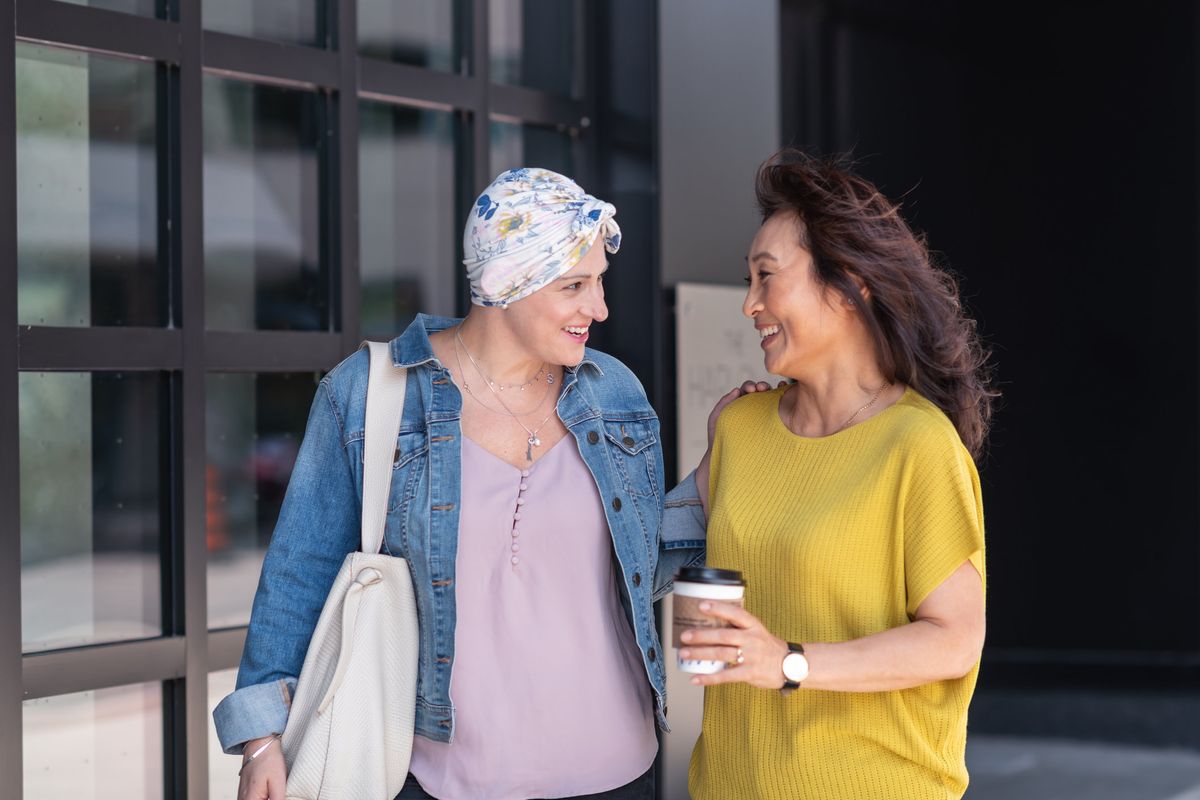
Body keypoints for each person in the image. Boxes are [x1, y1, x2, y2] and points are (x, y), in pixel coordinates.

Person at [214, 167, 706, 800]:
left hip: (616, 771)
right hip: (438, 777)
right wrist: (262, 739)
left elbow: (637, 565)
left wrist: (717, 466)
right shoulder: (371, 393)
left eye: (599, 283)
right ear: (506, 284)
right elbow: (299, 572)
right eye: (575, 285)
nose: (600, 308)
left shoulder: (614, 391)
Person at [673, 150, 994, 799]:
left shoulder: (917, 444)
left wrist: (788, 661)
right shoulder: (739, 429)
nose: (750, 305)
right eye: (749, 280)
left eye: (767, 277)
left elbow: (955, 639)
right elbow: (653, 550)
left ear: (848, 281)